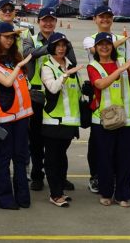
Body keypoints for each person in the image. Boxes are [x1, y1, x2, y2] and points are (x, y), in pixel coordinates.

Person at [82, 5, 130, 193]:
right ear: (95, 19)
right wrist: (119, 41)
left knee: (120, 147)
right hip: (99, 92)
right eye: (101, 17)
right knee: (97, 145)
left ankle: (117, 179)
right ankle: (96, 177)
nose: (105, 20)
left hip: (120, 94)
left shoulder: (123, 39)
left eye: (109, 16)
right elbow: (96, 51)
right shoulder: (90, 39)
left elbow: (129, 61)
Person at [87, 32, 130, 208]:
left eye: (107, 43)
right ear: (96, 47)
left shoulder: (122, 62)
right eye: (100, 44)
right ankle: (106, 192)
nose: (104, 47)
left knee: (126, 159)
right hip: (103, 120)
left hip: (126, 118)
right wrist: (120, 70)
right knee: (105, 158)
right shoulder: (93, 66)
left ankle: (123, 193)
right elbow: (99, 84)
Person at [0, 24, 33, 210]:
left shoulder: (15, 58)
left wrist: (19, 64)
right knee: (4, 158)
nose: (9, 40)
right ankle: (4, 198)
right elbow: (4, 83)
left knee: (21, 157)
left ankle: (23, 196)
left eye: (12, 37)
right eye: (6, 36)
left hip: (23, 116)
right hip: (5, 119)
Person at [40, 32, 84, 207]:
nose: (61, 48)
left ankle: (60, 189)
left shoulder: (70, 65)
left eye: (64, 45)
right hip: (53, 121)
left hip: (70, 122)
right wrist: (65, 75)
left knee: (62, 158)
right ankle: (55, 193)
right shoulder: (47, 66)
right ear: (51, 47)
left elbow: (76, 93)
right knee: (52, 159)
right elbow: (52, 88)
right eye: (58, 45)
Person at [21, 6, 59, 192]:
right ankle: (37, 175)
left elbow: (72, 62)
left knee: (55, 141)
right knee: (35, 140)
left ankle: (58, 176)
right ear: (38, 22)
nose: (48, 23)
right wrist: (53, 47)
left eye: (51, 19)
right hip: (36, 96)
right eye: (44, 20)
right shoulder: (31, 39)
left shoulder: (62, 41)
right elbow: (29, 53)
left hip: (56, 96)